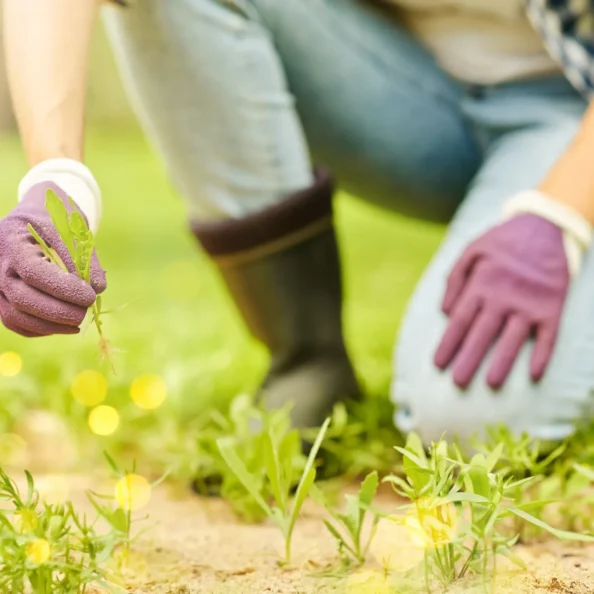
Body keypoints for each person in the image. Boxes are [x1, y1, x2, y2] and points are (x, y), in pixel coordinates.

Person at [3, 0, 594, 445]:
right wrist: (57, 177)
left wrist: (561, 209)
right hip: (410, 78)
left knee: (469, 420)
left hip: (570, 99)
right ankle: (307, 363)